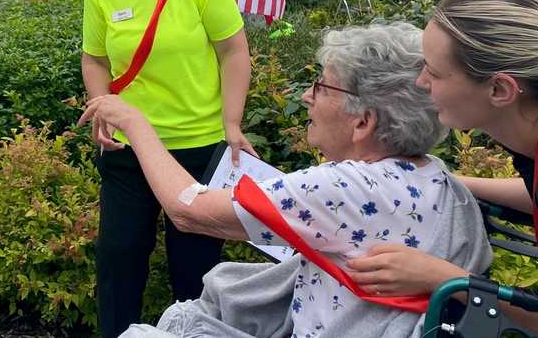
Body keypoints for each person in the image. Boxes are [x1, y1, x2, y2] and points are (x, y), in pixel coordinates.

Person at [81, 22, 492, 338]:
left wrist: (135, 124)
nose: (308, 97)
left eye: (322, 86)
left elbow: (189, 210)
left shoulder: (341, 188)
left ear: (363, 121)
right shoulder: (434, 176)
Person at [347, 0, 538, 337]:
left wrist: (444, 279)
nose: (421, 81)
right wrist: (445, 179)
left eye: (434, 72)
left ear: (499, 90)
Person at [82, 0, 253, 337]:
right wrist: (102, 108)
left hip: (196, 145)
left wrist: (232, 122)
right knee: (118, 257)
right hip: (128, 149)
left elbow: (234, 51)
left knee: (194, 269)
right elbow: (94, 56)